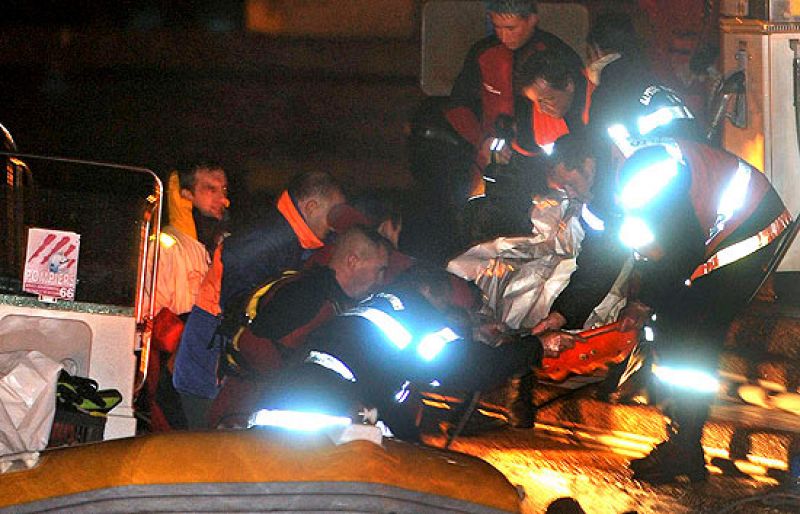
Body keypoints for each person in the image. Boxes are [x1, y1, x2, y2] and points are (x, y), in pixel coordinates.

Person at [547, 136, 791, 484]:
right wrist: (560, 316)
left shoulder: (645, 174)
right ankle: (683, 442)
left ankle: (686, 445)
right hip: (703, 241)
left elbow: (682, 251)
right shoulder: (599, 202)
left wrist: (644, 302)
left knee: (692, 329)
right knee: (676, 328)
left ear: (588, 164)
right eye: (562, 187)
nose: (570, 193)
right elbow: (597, 268)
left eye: (570, 181)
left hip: (749, 222)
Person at [253, 264, 565, 441]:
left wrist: (475, 334)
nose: (445, 322)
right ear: (430, 294)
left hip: (291, 408)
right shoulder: (416, 318)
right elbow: (468, 367)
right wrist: (537, 346)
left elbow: (392, 396)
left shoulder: (385, 305)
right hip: (326, 420)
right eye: (446, 310)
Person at [172, 171, 344, 429]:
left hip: (220, 364)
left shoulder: (286, 238)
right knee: (207, 453)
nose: (335, 224)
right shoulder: (271, 240)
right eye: (334, 214)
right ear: (311, 207)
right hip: (212, 367)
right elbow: (239, 314)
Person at [208, 226, 391, 428]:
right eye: (379, 270)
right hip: (244, 415)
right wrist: (292, 382)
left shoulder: (331, 297)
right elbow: (251, 343)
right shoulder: (307, 294)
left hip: (267, 414)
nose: (381, 280)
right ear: (352, 261)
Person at [445, 0, 583, 199]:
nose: (503, 36)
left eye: (511, 28)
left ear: (532, 20)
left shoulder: (556, 55)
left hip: (545, 162)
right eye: (497, 27)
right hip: (493, 158)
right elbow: (458, 105)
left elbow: (579, 110)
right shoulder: (484, 53)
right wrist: (482, 142)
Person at [145, 161, 229, 431]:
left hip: (204, 371)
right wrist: (187, 341)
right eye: (210, 189)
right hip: (175, 374)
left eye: (224, 189)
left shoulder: (209, 247)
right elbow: (150, 315)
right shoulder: (167, 245)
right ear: (185, 194)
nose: (223, 198)